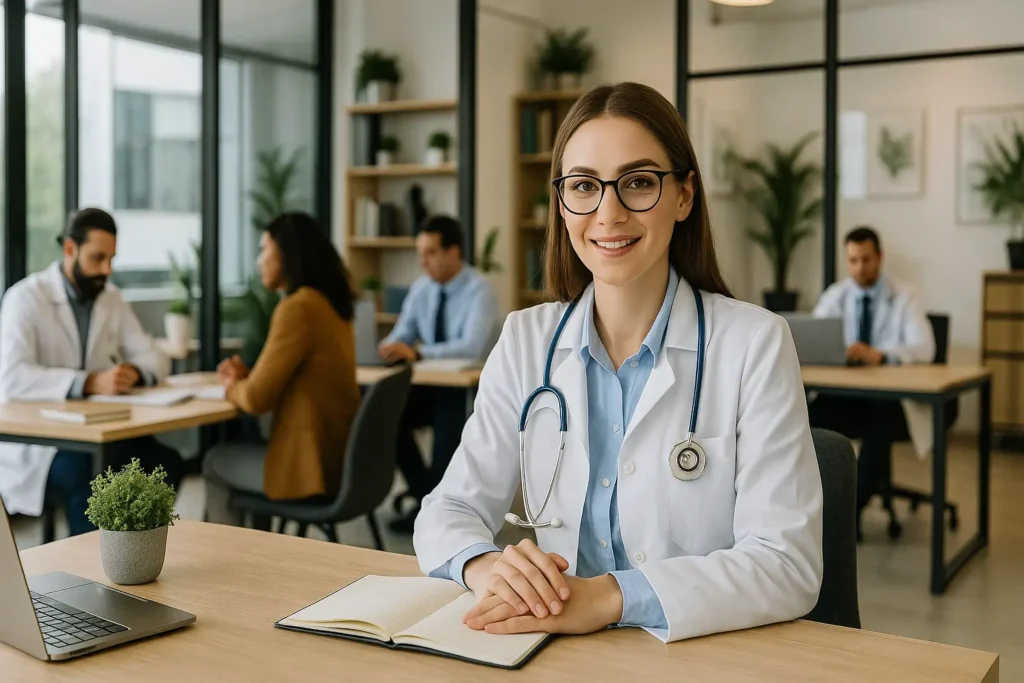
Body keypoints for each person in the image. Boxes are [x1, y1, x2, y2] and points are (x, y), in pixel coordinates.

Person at [412, 82, 823, 643]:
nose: (608, 213)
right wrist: (486, 568)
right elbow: (448, 508)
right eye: (583, 186)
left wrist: (608, 597)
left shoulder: (755, 343)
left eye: (637, 183)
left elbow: (786, 563)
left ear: (684, 195)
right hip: (550, 649)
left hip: (695, 653)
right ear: (562, 202)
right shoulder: (525, 339)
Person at [0, 208, 183, 536]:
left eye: (111, 259)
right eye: (98, 258)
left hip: (99, 432)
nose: (106, 269)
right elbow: (12, 376)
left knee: (164, 462)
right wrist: (87, 382)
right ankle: (86, 574)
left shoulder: (109, 298)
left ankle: (136, 559)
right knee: (88, 474)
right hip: (44, 445)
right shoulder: (25, 298)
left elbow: (155, 357)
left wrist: (135, 373)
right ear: (70, 249)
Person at [203, 212, 361, 528]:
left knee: (214, 461)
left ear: (287, 254)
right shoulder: (328, 304)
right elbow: (284, 382)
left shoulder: (298, 307)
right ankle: (257, 555)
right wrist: (246, 379)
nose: (259, 260)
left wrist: (232, 385)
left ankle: (231, 569)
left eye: (265, 250)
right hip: (336, 461)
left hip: (307, 467)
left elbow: (257, 400)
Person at [377, 215, 500, 533]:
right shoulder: (421, 289)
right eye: (421, 253)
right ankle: (424, 501)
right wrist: (390, 346)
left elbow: (471, 347)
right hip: (426, 384)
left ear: (454, 252)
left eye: (430, 252)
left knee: (448, 411)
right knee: (386, 414)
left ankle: (442, 513)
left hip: (465, 388)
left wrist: (418, 353)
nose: (423, 261)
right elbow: (403, 333)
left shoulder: (480, 290)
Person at [809, 226, 935, 535]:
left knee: (877, 428)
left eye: (866, 260)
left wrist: (881, 355)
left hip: (890, 400)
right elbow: (814, 338)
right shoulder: (836, 295)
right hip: (848, 395)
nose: (859, 268)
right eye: (852, 260)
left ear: (879, 257)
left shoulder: (905, 296)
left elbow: (925, 348)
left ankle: (846, 519)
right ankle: (807, 508)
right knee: (806, 418)